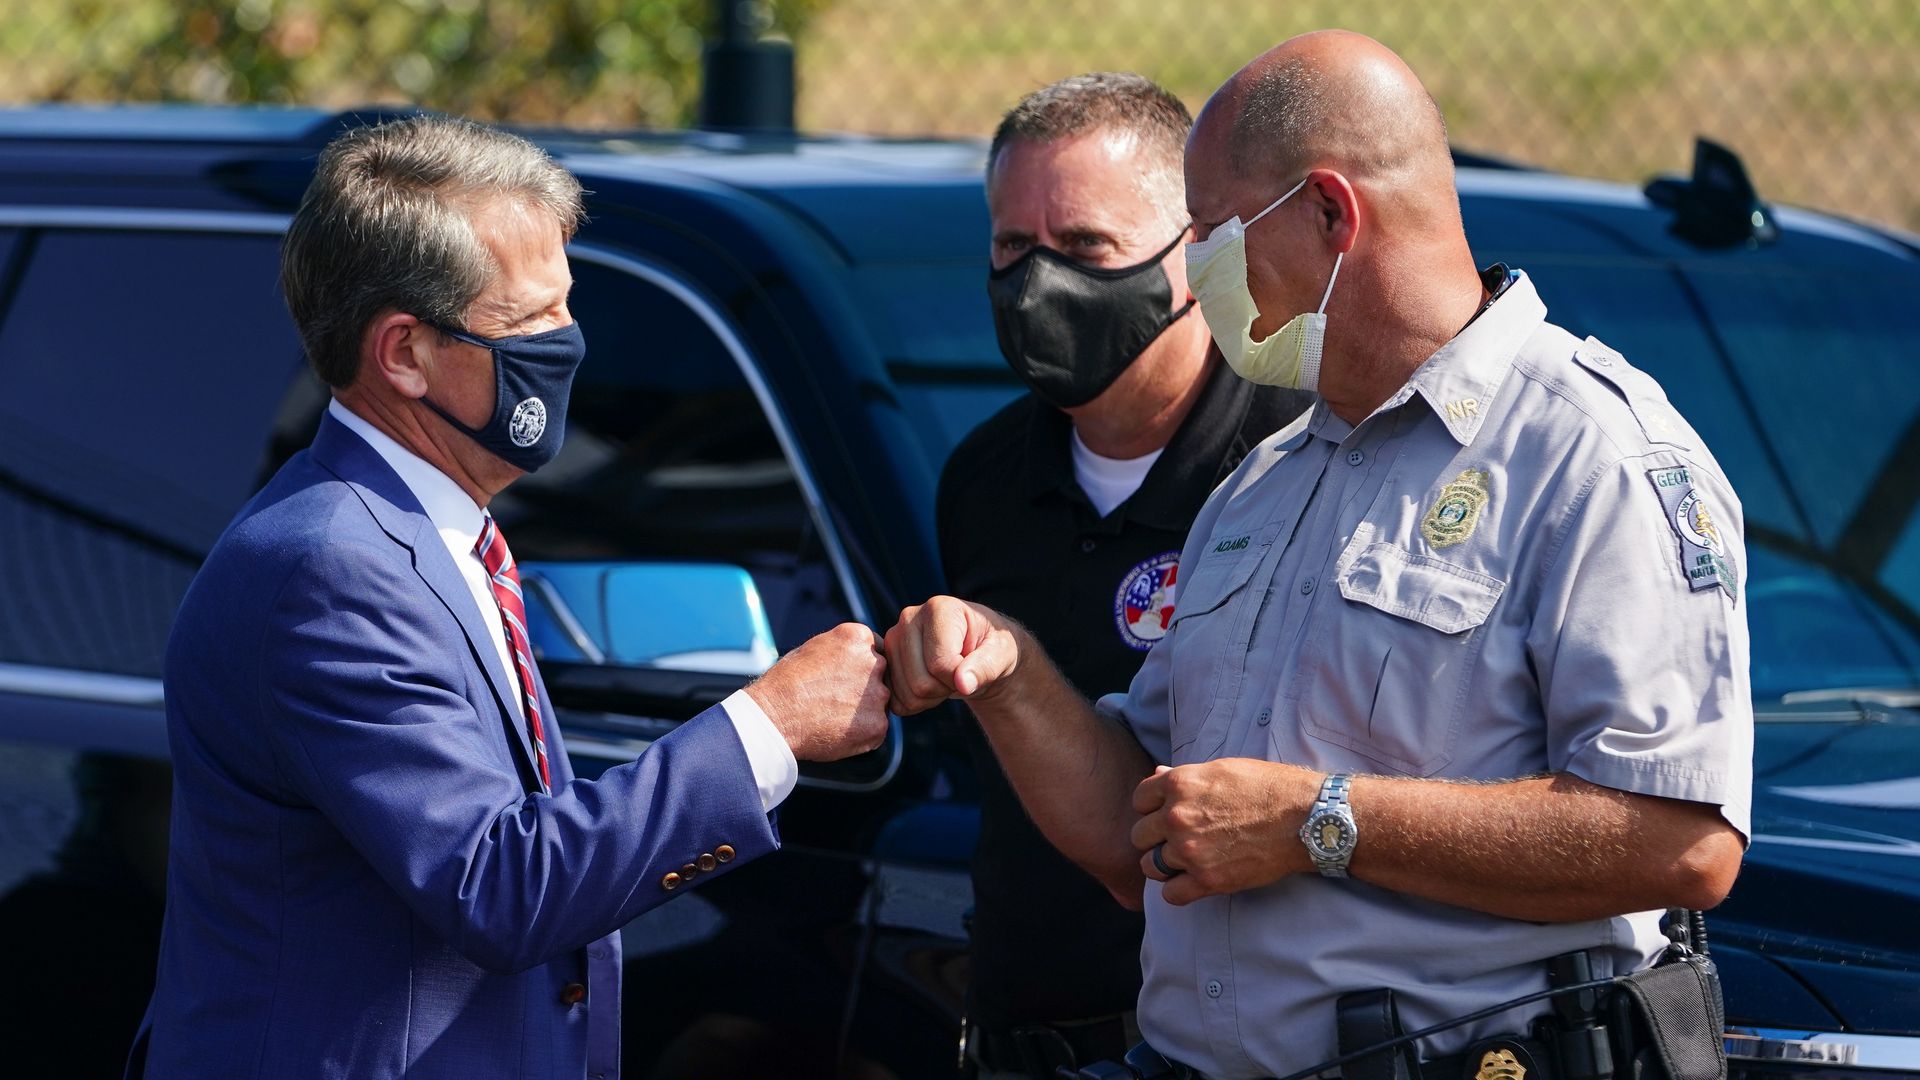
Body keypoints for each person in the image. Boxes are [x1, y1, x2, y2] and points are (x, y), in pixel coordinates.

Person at [888, 31, 1751, 1080]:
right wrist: (1009, 670)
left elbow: (1684, 844)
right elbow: (1142, 835)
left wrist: (1322, 821)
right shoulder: (1269, 480)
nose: (1197, 272)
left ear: (1333, 216)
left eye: (1209, 233)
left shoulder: (1589, 458)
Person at [129, 115, 890, 1080]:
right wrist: (772, 723)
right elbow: (501, 883)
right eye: (528, 322)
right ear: (402, 352)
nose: (566, 345)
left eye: (566, 308)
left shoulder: (432, 530)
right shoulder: (330, 568)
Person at [948, 72, 1311, 1078]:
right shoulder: (983, 482)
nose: (1037, 284)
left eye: (1082, 250)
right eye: (1013, 248)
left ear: (1191, 253)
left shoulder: (1298, 465)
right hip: (1016, 1043)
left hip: (1214, 1052)